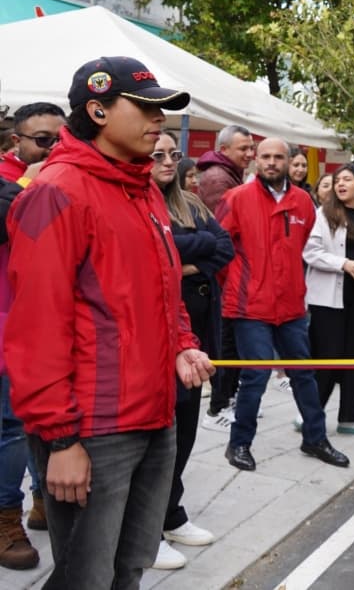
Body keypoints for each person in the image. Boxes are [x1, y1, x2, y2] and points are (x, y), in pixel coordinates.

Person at [5, 55, 215, 589]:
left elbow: (162, 287)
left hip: (154, 412)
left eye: (161, 108)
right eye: (145, 107)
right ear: (97, 110)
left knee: (128, 567)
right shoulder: (57, 191)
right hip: (93, 427)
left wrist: (183, 344)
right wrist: (60, 440)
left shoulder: (141, 186)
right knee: (85, 577)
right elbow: (35, 326)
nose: (158, 120)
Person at [215, 137, 350, 471]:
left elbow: (304, 248)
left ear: (289, 161)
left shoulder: (303, 202)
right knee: (256, 376)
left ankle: (315, 438)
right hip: (252, 306)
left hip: (290, 304)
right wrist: (239, 284)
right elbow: (218, 250)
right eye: (265, 157)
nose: (272, 162)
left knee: (304, 374)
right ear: (255, 160)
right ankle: (239, 444)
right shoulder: (237, 198)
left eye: (278, 157)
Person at [150, 131, 234, 570]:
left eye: (173, 154)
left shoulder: (192, 203)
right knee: (161, 436)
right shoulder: (138, 204)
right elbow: (148, 254)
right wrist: (192, 248)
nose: (168, 162)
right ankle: (148, 526)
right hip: (157, 334)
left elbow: (224, 247)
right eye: (158, 154)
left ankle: (170, 512)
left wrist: (182, 257)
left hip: (198, 329)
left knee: (186, 429)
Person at [0, 102, 64, 568]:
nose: (53, 148)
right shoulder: (18, 177)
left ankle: (45, 501)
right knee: (10, 425)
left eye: (59, 140)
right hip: (8, 323)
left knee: (48, 419)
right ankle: (6, 517)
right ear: (16, 141)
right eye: (42, 140)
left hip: (55, 321)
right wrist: (32, 182)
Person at [302, 164, 354, 437]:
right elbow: (310, 252)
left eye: (347, 180)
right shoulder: (323, 214)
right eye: (337, 180)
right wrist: (343, 264)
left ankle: (350, 415)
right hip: (328, 297)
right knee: (327, 357)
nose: (340, 184)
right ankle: (311, 415)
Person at [197, 124, 256, 433]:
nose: (250, 154)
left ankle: (225, 400)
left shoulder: (228, 175)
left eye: (251, 148)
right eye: (243, 149)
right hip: (223, 275)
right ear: (224, 150)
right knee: (225, 344)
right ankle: (218, 406)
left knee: (228, 343)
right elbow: (221, 234)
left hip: (228, 272)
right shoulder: (219, 179)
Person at [0, 102, 66, 182]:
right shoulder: (3, 178)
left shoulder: (71, 173)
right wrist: (26, 183)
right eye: (43, 139)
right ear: (17, 141)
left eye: (63, 138)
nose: (55, 146)